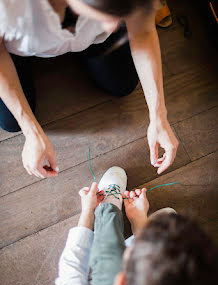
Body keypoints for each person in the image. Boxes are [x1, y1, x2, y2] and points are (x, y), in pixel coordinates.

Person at [0, 0, 178, 179]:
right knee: (12, 123)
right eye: (111, 15)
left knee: (122, 84)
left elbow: (143, 31)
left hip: (89, 39)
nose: (113, 27)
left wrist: (158, 116)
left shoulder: (115, 20)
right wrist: (31, 131)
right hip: (15, 49)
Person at [55, 167, 218, 285]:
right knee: (168, 217)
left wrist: (88, 211)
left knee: (109, 248)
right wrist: (139, 221)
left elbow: (71, 270)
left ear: (121, 281)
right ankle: (149, 240)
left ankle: (107, 207)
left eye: (132, 252)